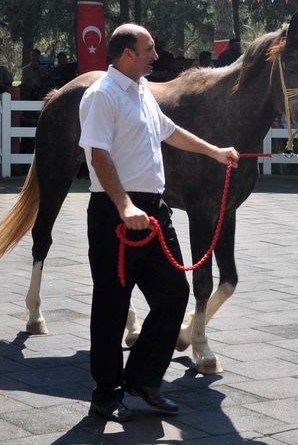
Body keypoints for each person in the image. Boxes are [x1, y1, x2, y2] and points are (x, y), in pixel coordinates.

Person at [79, 23, 239, 423]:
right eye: (149, 49)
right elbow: (98, 155)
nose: (156, 55)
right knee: (112, 305)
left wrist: (214, 151)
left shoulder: (143, 93)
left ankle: (144, 380)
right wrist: (124, 206)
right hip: (117, 215)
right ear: (127, 54)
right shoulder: (102, 96)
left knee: (172, 294)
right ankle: (106, 393)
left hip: (154, 212)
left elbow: (172, 133)